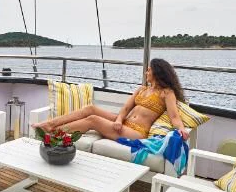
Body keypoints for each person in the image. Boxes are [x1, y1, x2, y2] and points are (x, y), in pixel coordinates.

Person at [33, 58, 189, 141]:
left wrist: (181, 130)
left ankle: (54, 133)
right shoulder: (142, 89)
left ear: (157, 72)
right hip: (124, 123)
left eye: (148, 70)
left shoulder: (167, 93)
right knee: (90, 109)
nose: (146, 73)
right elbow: (126, 109)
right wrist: (119, 120)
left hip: (137, 132)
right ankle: (50, 124)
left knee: (92, 119)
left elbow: (174, 117)